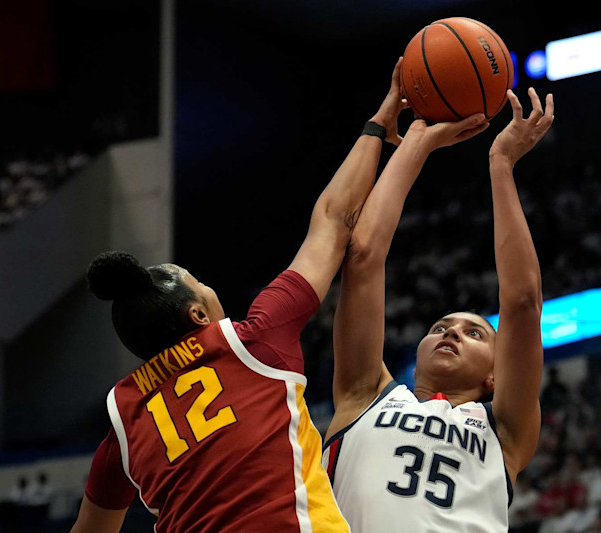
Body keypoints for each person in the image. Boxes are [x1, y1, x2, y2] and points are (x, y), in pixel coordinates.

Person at [69, 58, 490, 533]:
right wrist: (378, 126)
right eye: (199, 281)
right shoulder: (252, 342)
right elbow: (333, 220)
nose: (209, 284)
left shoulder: (124, 424)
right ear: (198, 314)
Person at [322, 87, 554, 531]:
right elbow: (363, 256)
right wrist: (418, 142)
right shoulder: (364, 395)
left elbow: (523, 303)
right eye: (441, 327)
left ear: (494, 376)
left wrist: (501, 165)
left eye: (474, 333)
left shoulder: (505, 431)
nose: (450, 332)